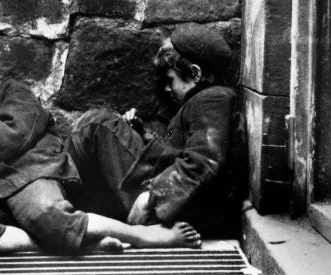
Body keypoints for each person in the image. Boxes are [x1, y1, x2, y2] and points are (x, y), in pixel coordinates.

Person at [0, 79, 202, 270]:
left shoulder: (13, 93)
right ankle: (84, 244)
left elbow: (13, 134)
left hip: (29, 171)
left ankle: (142, 235)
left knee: (46, 216)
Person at [65, 22, 247, 238]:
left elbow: (204, 161)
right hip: (178, 200)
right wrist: (142, 133)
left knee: (96, 125)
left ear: (196, 73)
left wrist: (152, 196)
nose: (167, 88)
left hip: (182, 209)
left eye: (171, 80)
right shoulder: (205, 100)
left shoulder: (214, 98)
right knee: (101, 125)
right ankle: (64, 210)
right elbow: (179, 152)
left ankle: (58, 213)